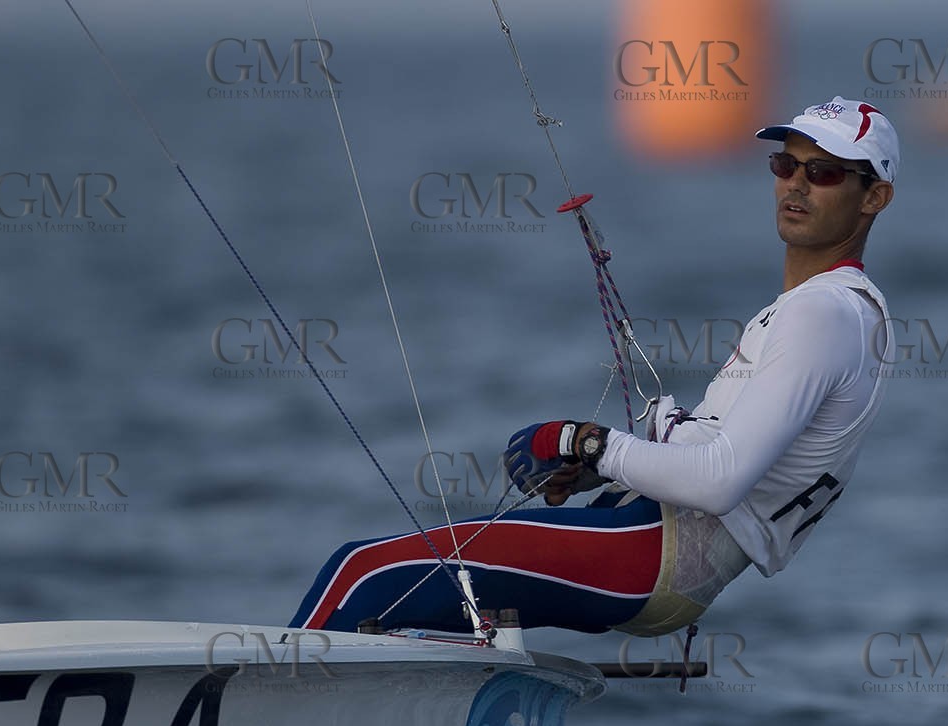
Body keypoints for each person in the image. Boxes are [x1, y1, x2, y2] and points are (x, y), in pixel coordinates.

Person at [291, 96, 898, 636]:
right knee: (397, 605)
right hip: (653, 545)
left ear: (873, 197)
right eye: (785, 165)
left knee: (360, 572)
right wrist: (591, 472)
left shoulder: (823, 313)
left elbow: (720, 481)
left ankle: (258, 710)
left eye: (823, 173)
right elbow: (724, 459)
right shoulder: (839, 310)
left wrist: (583, 441)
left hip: (650, 555)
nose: (796, 185)